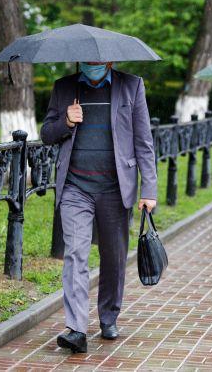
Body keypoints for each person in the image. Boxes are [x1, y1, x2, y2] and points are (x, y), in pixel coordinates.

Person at [40, 62, 157, 354]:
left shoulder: (131, 85)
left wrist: (149, 189)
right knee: (75, 254)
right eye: (87, 61)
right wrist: (65, 122)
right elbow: (46, 134)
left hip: (116, 188)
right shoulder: (64, 87)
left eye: (98, 62)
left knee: (113, 256)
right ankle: (76, 328)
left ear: (109, 62)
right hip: (75, 187)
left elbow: (143, 141)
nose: (92, 66)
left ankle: (108, 317)